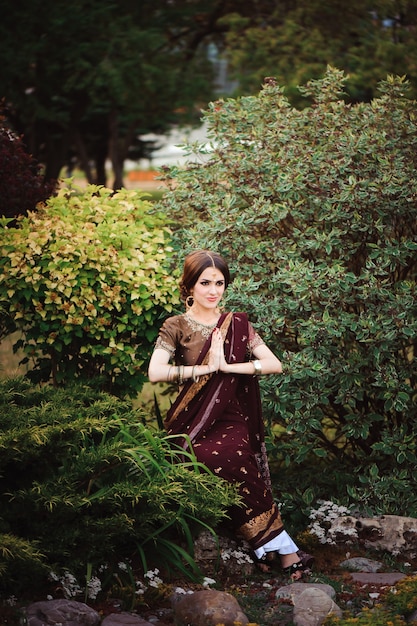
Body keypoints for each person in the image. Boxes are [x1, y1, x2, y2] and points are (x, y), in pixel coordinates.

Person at [148, 250, 313, 579]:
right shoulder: (176, 326)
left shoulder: (237, 324)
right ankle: (272, 548)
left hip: (230, 416)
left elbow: (273, 363)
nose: (213, 290)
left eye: (219, 283)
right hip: (192, 419)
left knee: (234, 456)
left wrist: (226, 367)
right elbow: (155, 372)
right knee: (204, 457)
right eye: (205, 282)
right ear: (189, 286)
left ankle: (279, 549)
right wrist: (200, 370)